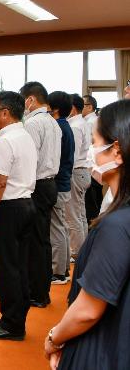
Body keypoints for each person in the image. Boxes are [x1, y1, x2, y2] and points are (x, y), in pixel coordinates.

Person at [43, 99, 130, 370]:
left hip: (102, 350)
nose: (91, 151)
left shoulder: (117, 225)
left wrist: (54, 338)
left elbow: (89, 310)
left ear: (116, 150)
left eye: (94, 142)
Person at [0, 92, 37, 341]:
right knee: (20, 265)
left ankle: (12, 324)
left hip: (9, 209)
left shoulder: (6, 141)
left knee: (5, 267)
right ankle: (15, 316)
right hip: (27, 204)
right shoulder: (25, 136)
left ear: (5, 112)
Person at [20, 82, 61, 308]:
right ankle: (41, 290)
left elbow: (30, 159)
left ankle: (37, 293)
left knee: (34, 242)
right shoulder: (53, 123)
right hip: (50, 184)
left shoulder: (33, 123)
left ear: (30, 100)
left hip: (37, 185)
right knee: (42, 240)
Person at [48, 91, 75, 286]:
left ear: (55, 108)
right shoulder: (65, 126)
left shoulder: (58, 128)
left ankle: (58, 272)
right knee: (62, 227)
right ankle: (62, 268)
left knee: (56, 228)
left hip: (58, 184)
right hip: (64, 183)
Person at [66, 94, 92, 261]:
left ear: (73, 108)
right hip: (83, 171)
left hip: (76, 171)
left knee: (73, 216)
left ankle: (77, 251)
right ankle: (82, 249)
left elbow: (72, 155)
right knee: (80, 215)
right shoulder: (83, 123)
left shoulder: (75, 126)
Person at [82, 95, 103, 224]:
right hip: (94, 166)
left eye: (82, 104)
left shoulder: (90, 122)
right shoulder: (93, 120)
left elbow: (88, 145)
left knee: (91, 204)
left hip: (92, 166)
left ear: (89, 107)